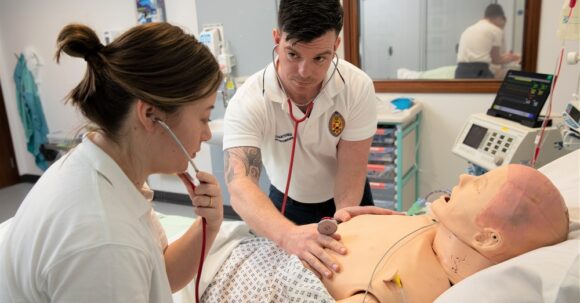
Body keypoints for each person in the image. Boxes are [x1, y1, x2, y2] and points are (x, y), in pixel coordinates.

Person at [0, 23, 224, 302]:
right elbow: (120, 259)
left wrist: (209, 225)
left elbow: (158, 274)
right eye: (204, 117)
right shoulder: (105, 242)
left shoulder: (103, 168)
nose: (207, 133)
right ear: (151, 115)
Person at [200, 164, 569, 302]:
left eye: (480, 184)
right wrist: (353, 221)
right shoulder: (431, 226)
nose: (464, 177)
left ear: (488, 238)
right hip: (245, 246)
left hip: (218, 276)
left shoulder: (413, 287)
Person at [223, 0, 392, 280]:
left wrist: (343, 221)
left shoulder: (357, 87)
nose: (305, 72)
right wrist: (288, 235)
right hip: (287, 201)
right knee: (289, 279)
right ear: (277, 39)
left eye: (319, 58)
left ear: (336, 45)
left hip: (347, 195)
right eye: (293, 54)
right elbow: (240, 184)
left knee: (352, 274)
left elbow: (351, 168)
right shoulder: (251, 100)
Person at [455, 4, 521, 79]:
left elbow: (483, 54)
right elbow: (496, 60)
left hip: (460, 71)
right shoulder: (495, 29)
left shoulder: (469, 29)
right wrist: (513, 58)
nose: (502, 28)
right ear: (500, 18)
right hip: (479, 72)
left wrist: (506, 56)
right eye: (503, 25)